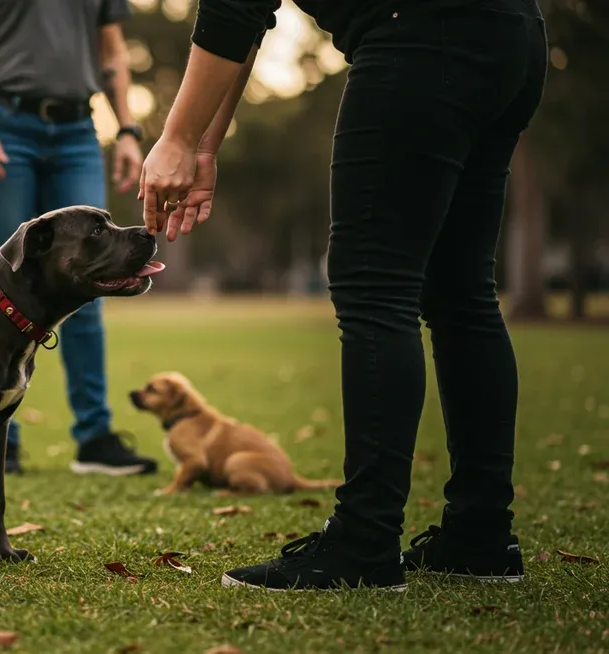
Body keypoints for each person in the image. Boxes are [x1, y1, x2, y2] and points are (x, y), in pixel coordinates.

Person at [139, 0, 546, 590]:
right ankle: (480, 535)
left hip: (420, 40)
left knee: (376, 291)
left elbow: (232, 6)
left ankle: (364, 541)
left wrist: (175, 138)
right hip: (514, 35)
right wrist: (203, 146)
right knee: (462, 293)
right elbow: (245, 19)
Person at [0, 0, 159, 477]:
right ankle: (0, 435)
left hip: (78, 131)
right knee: (1, 284)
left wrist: (126, 128)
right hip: (2, 121)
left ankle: (94, 438)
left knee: (95, 273)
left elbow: (112, 53)